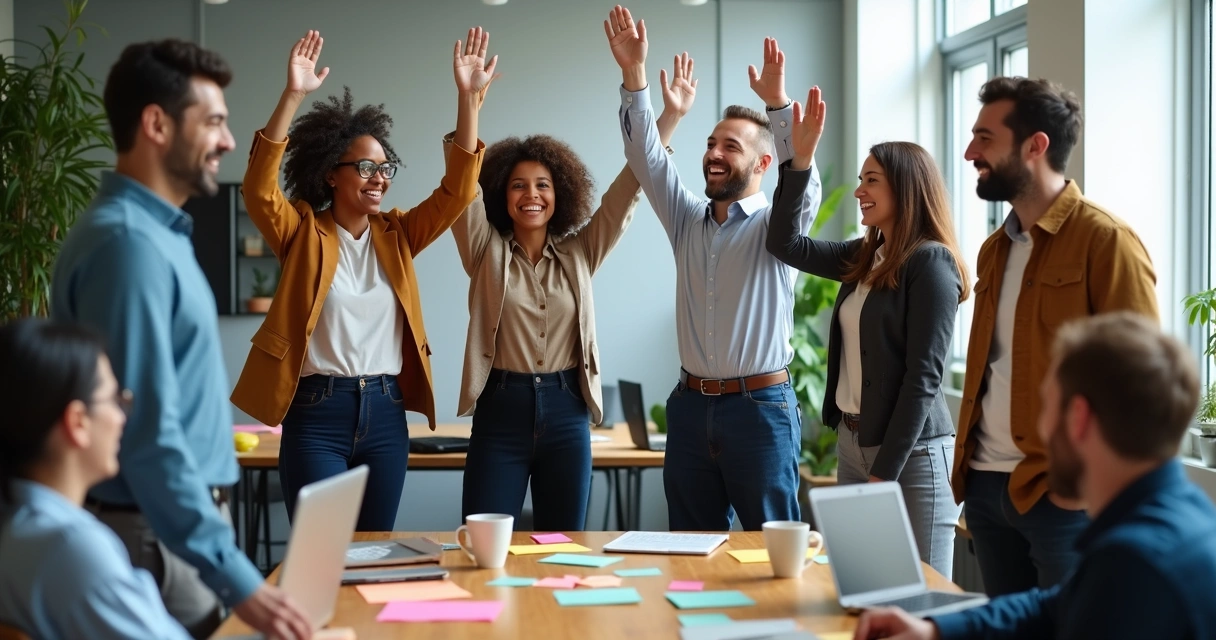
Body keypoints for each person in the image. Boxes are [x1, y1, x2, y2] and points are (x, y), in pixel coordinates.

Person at [50, 40, 311, 639]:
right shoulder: (130, 247)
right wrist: (240, 580)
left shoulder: (151, 235)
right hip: (155, 537)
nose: (226, 141)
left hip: (168, 531)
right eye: (215, 122)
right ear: (157, 124)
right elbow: (146, 435)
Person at [230, 30, 491, 531]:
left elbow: (458, 192)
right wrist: (292, 96)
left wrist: (467, 100)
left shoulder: (397, 235)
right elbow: (260, 189)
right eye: (366, 167)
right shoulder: (303, 232)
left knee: (375, 552)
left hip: (385, 412)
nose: (379, 178)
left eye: (385, 167)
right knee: (322, 552)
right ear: (332, 173)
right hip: (316, 414)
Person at [855, 312, 1216, 640]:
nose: (1042, 429)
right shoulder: (1191, 515)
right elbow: (1054, 606)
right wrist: (933, 630)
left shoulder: (1133, 563)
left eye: (1046, 406)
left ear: (1078, 418)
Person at [452, 53, 694, 530]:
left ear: (559, 193)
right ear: (502, 195)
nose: (531, 195)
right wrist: (468, 102)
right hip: (501, 408)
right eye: (518, 185)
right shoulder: (484, 251)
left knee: (564, 546)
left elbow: (627, 192)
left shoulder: (581, 252)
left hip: (567, 410)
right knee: (484, 544)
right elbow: (461, 188)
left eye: (542, 184)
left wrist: (670, 118)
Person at [607, 5, 822, 530]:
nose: (714, 154)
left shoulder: (780, 226)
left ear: (762, 164)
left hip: (761, 410)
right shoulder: (686, 219)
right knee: (688, 550)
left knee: (770, 550)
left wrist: (776, 105)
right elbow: (646, 157)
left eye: (731, 146)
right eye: (710, 144)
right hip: (689, 408)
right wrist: (634, 78)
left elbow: (803, 175)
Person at [951, 77, 1159, 596]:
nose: (970, 151)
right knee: (1008, 629)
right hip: (985, 485)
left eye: (984, 137)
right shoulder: (994, 249)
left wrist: (1086, 488)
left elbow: (1143, 383)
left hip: (1061, 495)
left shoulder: (1106, 241)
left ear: (1035, 145)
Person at [766, 141, 970, 577]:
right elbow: (783, 243)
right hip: (852, 445)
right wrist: (798, 164)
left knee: (924, 596)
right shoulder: (864, 256)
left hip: (912, 455)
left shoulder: (931, 261)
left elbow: (924, 378)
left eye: (871, 180)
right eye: (860, 181)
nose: (859, 191)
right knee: (863, 586)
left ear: (907, 188)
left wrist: (884, 472)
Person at [0, 319, 191, 640]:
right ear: (77, 421)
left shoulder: (17, 523)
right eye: (115, 400)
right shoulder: (69, 547)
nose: (121, 417)